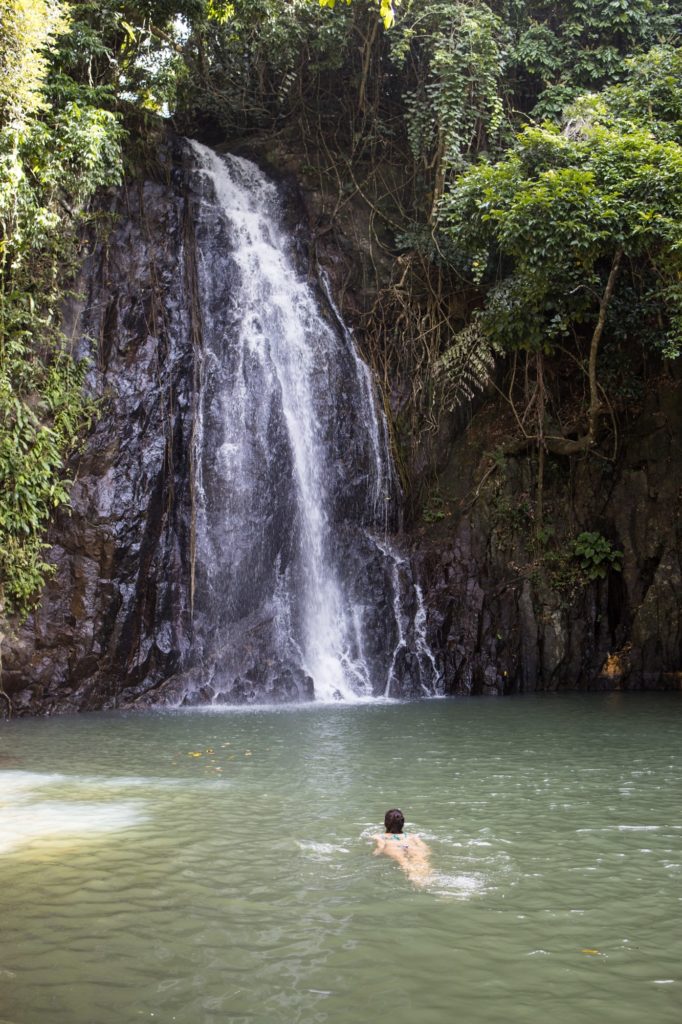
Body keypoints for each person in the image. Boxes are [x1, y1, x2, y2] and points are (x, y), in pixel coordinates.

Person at [373, 808, 432, 887]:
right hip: (409, 844)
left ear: (385, 823)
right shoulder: (412, 835)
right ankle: (429, 879)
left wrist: (375, 854)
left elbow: (380, 848)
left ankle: (415, 879)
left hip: (393, 846)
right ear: (403, 823)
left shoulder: (379, 836)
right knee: (421, 860)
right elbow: (424, 847)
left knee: (403, 862)